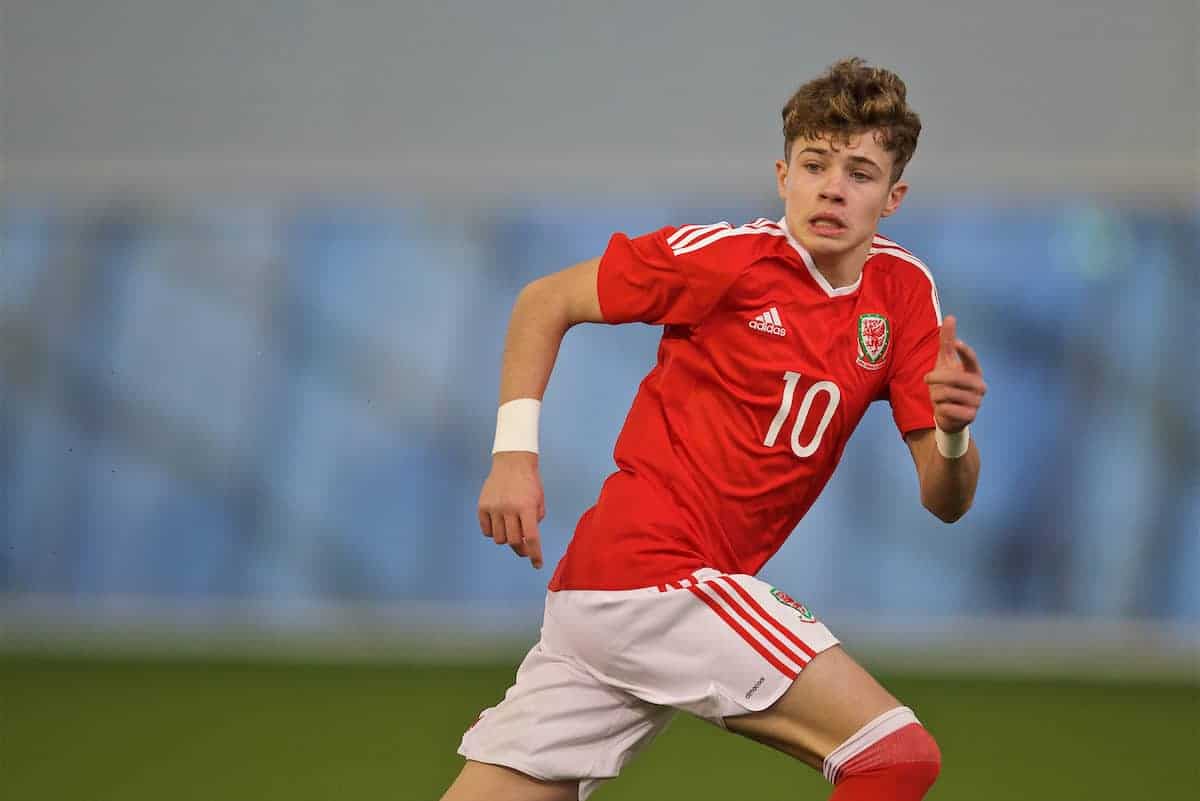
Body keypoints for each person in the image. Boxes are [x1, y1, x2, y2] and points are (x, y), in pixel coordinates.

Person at [440, 57, 986, 801]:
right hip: (653, 573)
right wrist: (513, 457)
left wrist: (952, 434)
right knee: (894, 756)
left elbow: (944, 498)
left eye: (859, 172)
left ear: (894, 196)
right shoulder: (728, 260)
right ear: (782, 174)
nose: (832, 186)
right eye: (815, 163)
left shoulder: (903, 294)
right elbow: (545, 300)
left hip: (609, 597)